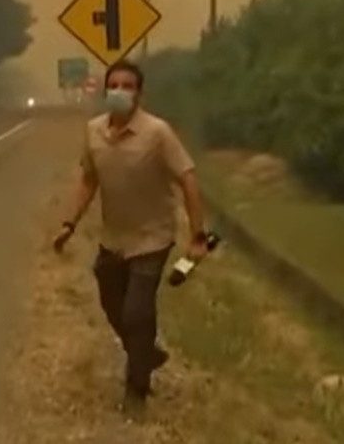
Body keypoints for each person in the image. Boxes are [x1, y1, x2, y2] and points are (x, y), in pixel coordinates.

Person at [52, 59, 210, 419]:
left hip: (153, 236)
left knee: (137, 312)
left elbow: (187, 178)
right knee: (112, 305)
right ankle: (145, 354)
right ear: (105, 89)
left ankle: (136, 388)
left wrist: (197, 235)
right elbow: (89, 179)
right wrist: (69, 223)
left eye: (128, 86)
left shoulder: (158, 133)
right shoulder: (93, 131)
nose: (120, 92)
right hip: (114, 237)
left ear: (140, 94)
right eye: (114, 85)